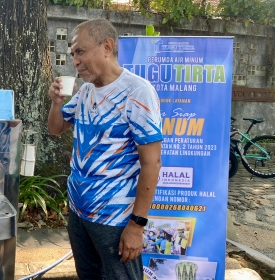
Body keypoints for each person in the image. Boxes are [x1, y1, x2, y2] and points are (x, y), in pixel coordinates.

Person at [47, 18, 163, 279]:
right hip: (79, 212)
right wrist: (56, 102)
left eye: (80, 51)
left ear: (107, 47)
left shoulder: (137, 92)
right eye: (73, 54)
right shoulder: (86, 90)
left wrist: (137, 225)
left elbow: (152, 163)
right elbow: (56, 128)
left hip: (115, 218)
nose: (74, 60)